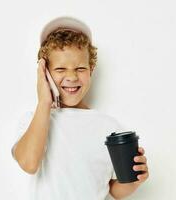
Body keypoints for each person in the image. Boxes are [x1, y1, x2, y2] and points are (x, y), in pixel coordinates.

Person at [11, 16, 149, 200]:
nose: (72, 77)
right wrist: (44, 102)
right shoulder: (34, 120)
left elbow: (113, 191)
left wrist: (134, 180)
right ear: (45, 73)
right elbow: (29, 163)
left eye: (80, 68)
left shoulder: (108, 127)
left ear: (91, 69)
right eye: (60, 69)